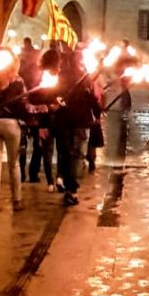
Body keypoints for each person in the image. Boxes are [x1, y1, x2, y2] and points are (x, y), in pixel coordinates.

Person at [0, 54, 49, 215]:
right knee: (14, 163)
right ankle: (16, 199)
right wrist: (40, 109)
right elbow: (23, 106)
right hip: (11, 124)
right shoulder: (17, 81)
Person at [51, 48, 101, 206]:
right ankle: (71, 189)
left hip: (64, 121)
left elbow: (53, 94)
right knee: (77, 155)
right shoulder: (83, 78)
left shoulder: (62, 77)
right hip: (79, 121)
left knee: (66, 155)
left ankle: (67, 185)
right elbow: (91, 98)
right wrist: (98, 112)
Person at [29, 47, 61, 190]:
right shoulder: (53, 77)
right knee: (58, 150)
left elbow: (32, 97)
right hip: (54, 118)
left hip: (44, 119)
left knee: (45, 150)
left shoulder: (39, 76)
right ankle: (57, 178)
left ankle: (50, 182)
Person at [16, 37, 42, 182]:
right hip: (29, 113)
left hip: (30, 113)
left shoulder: (30, 73)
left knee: (29, 145)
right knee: (33, 145)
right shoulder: (24, 74)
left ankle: (26, 173)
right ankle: (31, 173)